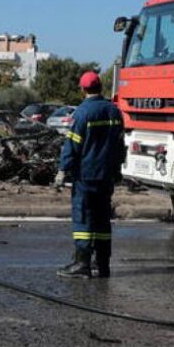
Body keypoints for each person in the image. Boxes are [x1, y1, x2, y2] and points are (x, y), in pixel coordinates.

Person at [54, 71, 125, 279]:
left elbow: (72, 146)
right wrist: (117, 169)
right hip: (107, 175)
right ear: (100, 87)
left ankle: (81, 263)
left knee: (83, 216)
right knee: (103, 219)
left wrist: (62, 170)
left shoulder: (82, 114)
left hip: (86, 175)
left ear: (83, 89)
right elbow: (120, 145)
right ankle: (102, 264)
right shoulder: (114, 111)